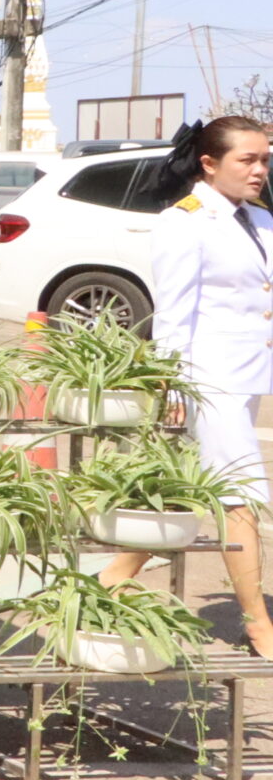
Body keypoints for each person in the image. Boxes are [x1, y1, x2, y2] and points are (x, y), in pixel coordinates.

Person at [116, 115, 273, 658]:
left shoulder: (259, 218)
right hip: (207, 380)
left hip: (246, 374)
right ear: (209, 164)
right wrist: (172, 387)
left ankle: (107, 583)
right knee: (241, 496)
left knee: (177, 494)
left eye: (264, 158)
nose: (260, 170)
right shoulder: (184, 222)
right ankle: (258, 625)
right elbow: (174, 316)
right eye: (247, 160)